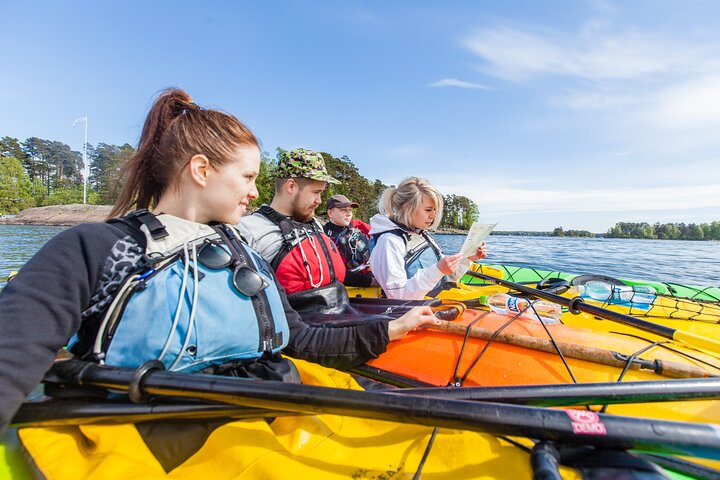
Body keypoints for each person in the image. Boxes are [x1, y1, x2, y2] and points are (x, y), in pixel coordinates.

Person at [0, 90, 440, 436]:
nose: (254, 191)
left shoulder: (242, 252)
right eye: (247, 177)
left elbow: (299, 340)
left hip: (269, 415)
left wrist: (391, 329)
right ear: (201, 170)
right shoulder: (97, 248)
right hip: (159, 435)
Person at [237, 149, 373, 314]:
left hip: (340, 319)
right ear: (291, 186)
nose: (319, 201)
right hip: (301, 334)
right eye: (316, 192)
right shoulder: (250, 230)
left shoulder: (314, 223)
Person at [369, 177, 487, 300]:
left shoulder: (423, 235)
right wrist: (438, 270)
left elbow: (447, 278)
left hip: (436, 302)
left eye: (435, 210)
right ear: (407, 208)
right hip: (410, 313)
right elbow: (397, 295)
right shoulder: (389, 241)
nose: (433, 215)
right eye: (428, 210)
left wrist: (468, 259)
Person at [322, 194, 373, 279]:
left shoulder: (358, 227)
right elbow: (333, 273)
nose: (349, 214)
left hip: (370, 277)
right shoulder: (322, 237)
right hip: (345, 286)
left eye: (350, 210)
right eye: (344, 210)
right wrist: (370, 282)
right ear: (330, 213)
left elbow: (379, 236)